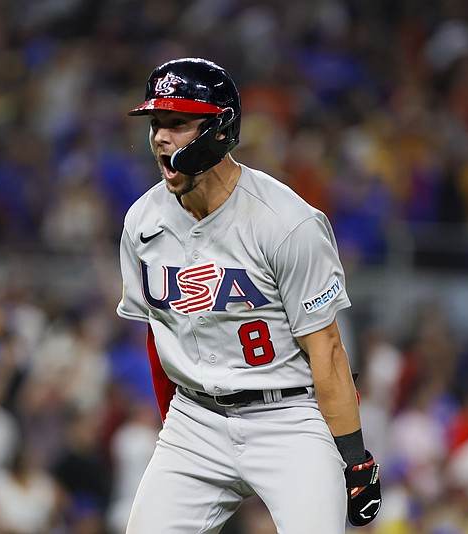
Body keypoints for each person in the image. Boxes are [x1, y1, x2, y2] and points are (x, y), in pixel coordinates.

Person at [116, 57, 381, 533]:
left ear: (219, 131)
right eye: (157, 123)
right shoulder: (143, 223)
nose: (160, 137)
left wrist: (354, 457)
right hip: (194, 421)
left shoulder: (286, 222)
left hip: (288, 418)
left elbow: (328, 351)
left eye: (177, 123)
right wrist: (172, 429)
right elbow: (159, 337)